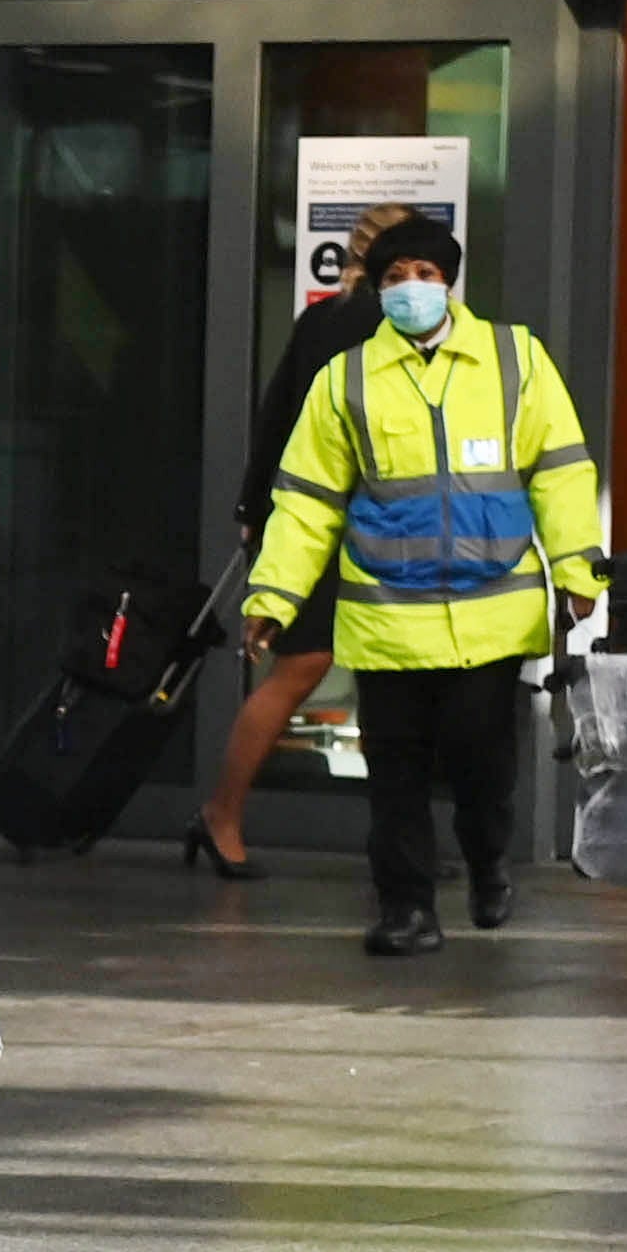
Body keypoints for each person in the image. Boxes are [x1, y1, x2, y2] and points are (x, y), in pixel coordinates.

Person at [244, 215, 602, 957]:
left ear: (449, 281)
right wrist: (272, 596)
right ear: (376, 289)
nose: (411, 288)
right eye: (395, 276)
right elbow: (307, 497)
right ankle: (405, 907)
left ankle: (485, 860)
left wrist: (577, 570)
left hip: (491, 611)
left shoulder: (514, 358)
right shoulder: (344, 378)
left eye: (425, 274)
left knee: (479, 759)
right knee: (395, 769)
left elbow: (561, 469)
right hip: (387, 614)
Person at [194, 197, 416, 877]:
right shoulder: (354, 327)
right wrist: (257, 507)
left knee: (379, 682)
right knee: (307, 668)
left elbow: (271, 417)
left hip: (359, 522)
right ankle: (220, 814)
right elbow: (284, 417)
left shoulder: (327, 321)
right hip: (335, 521)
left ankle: (397, 839)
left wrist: (250, 503)